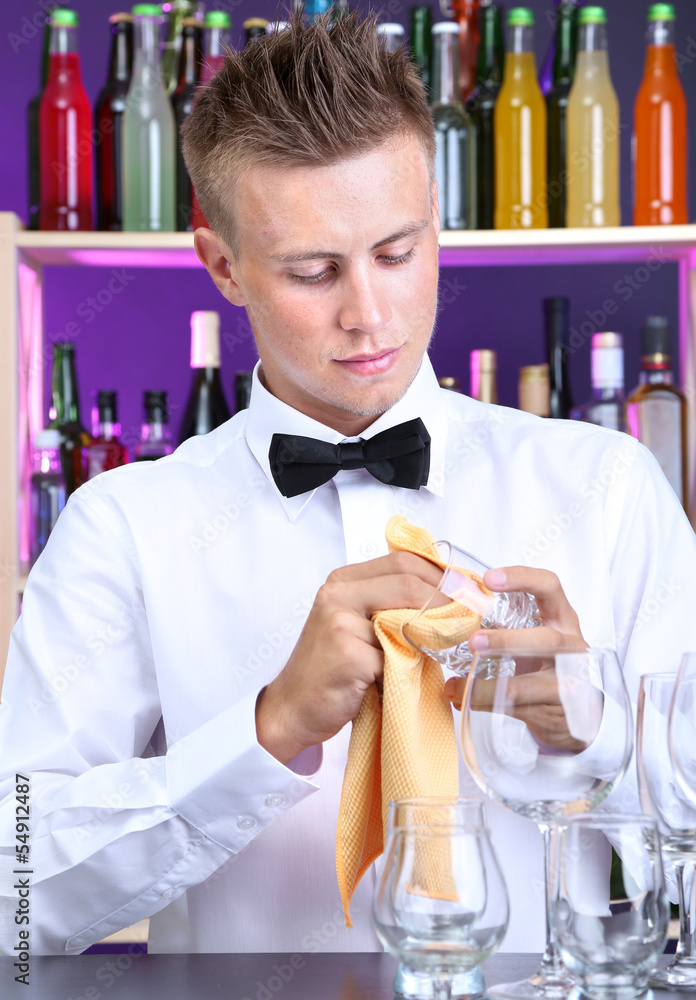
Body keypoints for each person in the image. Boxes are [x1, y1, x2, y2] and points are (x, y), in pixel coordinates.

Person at [1, 10, 695, 958]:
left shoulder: (608, 487)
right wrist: (267, 726)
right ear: (225, 268)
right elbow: (16, 886)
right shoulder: (123, 525)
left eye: (398, 253)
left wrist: (594, 724)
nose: (368, 314)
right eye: (313, 271)